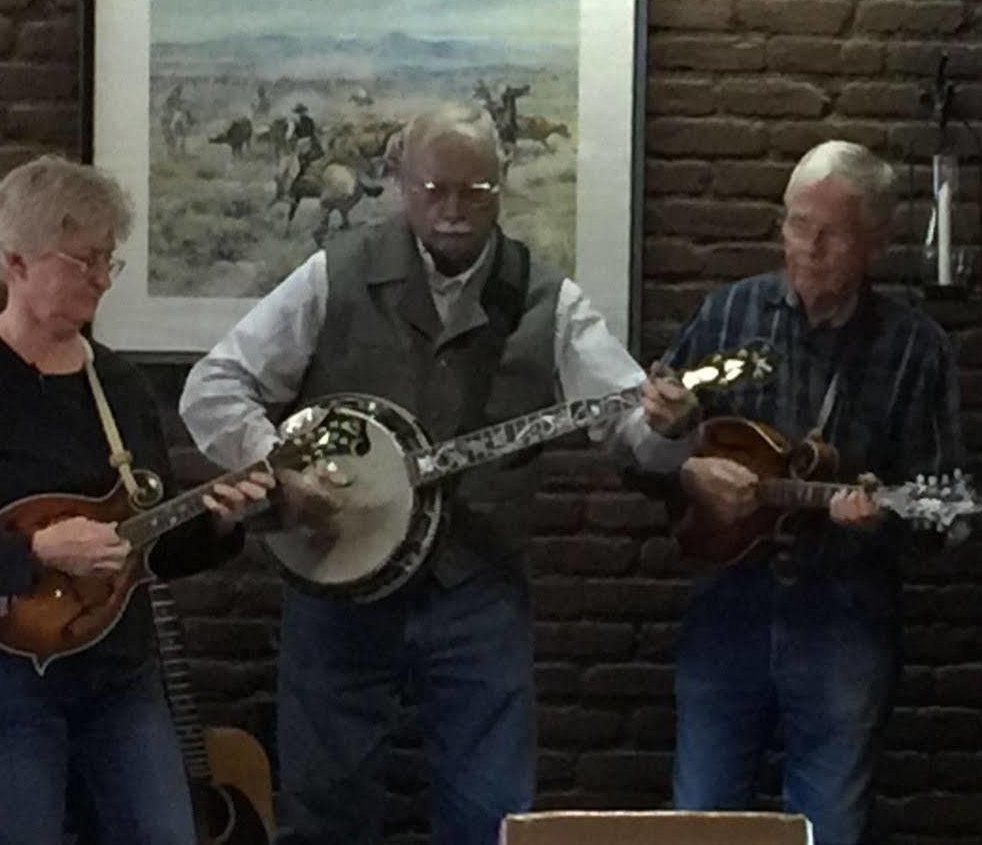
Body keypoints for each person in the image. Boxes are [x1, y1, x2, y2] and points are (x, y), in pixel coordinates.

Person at [178, 103, 690, 845]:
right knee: (324, 808)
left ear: (501, 186)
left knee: (491, 814)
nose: (452, 212)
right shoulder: (334, 274)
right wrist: (278, 470)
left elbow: (629, 430)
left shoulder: (551, 300)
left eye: (473, 193)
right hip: (336, 583)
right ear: (398, 182)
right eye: (433, 190)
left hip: (477, 590)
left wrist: (670, 430)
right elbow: (215, 385)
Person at [0, 155, 270, 845]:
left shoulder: (119, 387)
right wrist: (33, 552)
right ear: (17, 262)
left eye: (107, 260)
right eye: (83, 260)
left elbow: (146, 549)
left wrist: (219, 523)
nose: (100, 278)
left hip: (116, 675)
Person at [634, 140, 967, 845]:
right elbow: (638, 456)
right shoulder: (727, 317)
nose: (807, 247)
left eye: (832, 233)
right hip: (725, 603)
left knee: (828, 827)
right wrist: (682, 459)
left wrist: (879, 519)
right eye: (794, 224)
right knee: (701, 819)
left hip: (843, 613)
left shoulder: (914, 348)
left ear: (875, 240)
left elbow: (948, 515)